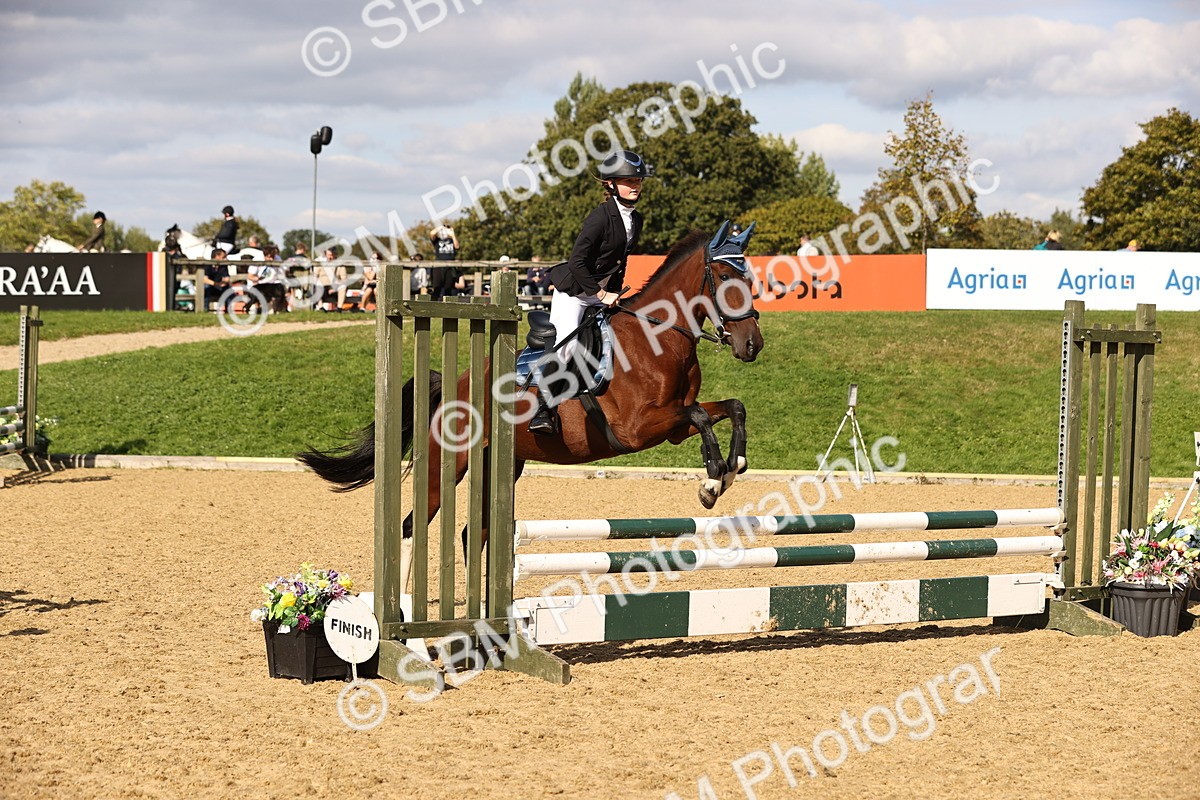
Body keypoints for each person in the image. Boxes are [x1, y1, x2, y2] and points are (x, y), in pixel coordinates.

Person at [531, 149, 648, 435]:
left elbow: (620, 262)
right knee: (567, 344)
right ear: (611, 184)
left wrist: (616, 294)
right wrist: (599, 294)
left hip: (603, 293)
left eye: (638, 180)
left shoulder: (636, 219)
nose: (634, 185)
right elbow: (577, 262)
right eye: (627, 180)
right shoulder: (599, 218)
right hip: (574, 291)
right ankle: (542, 409)